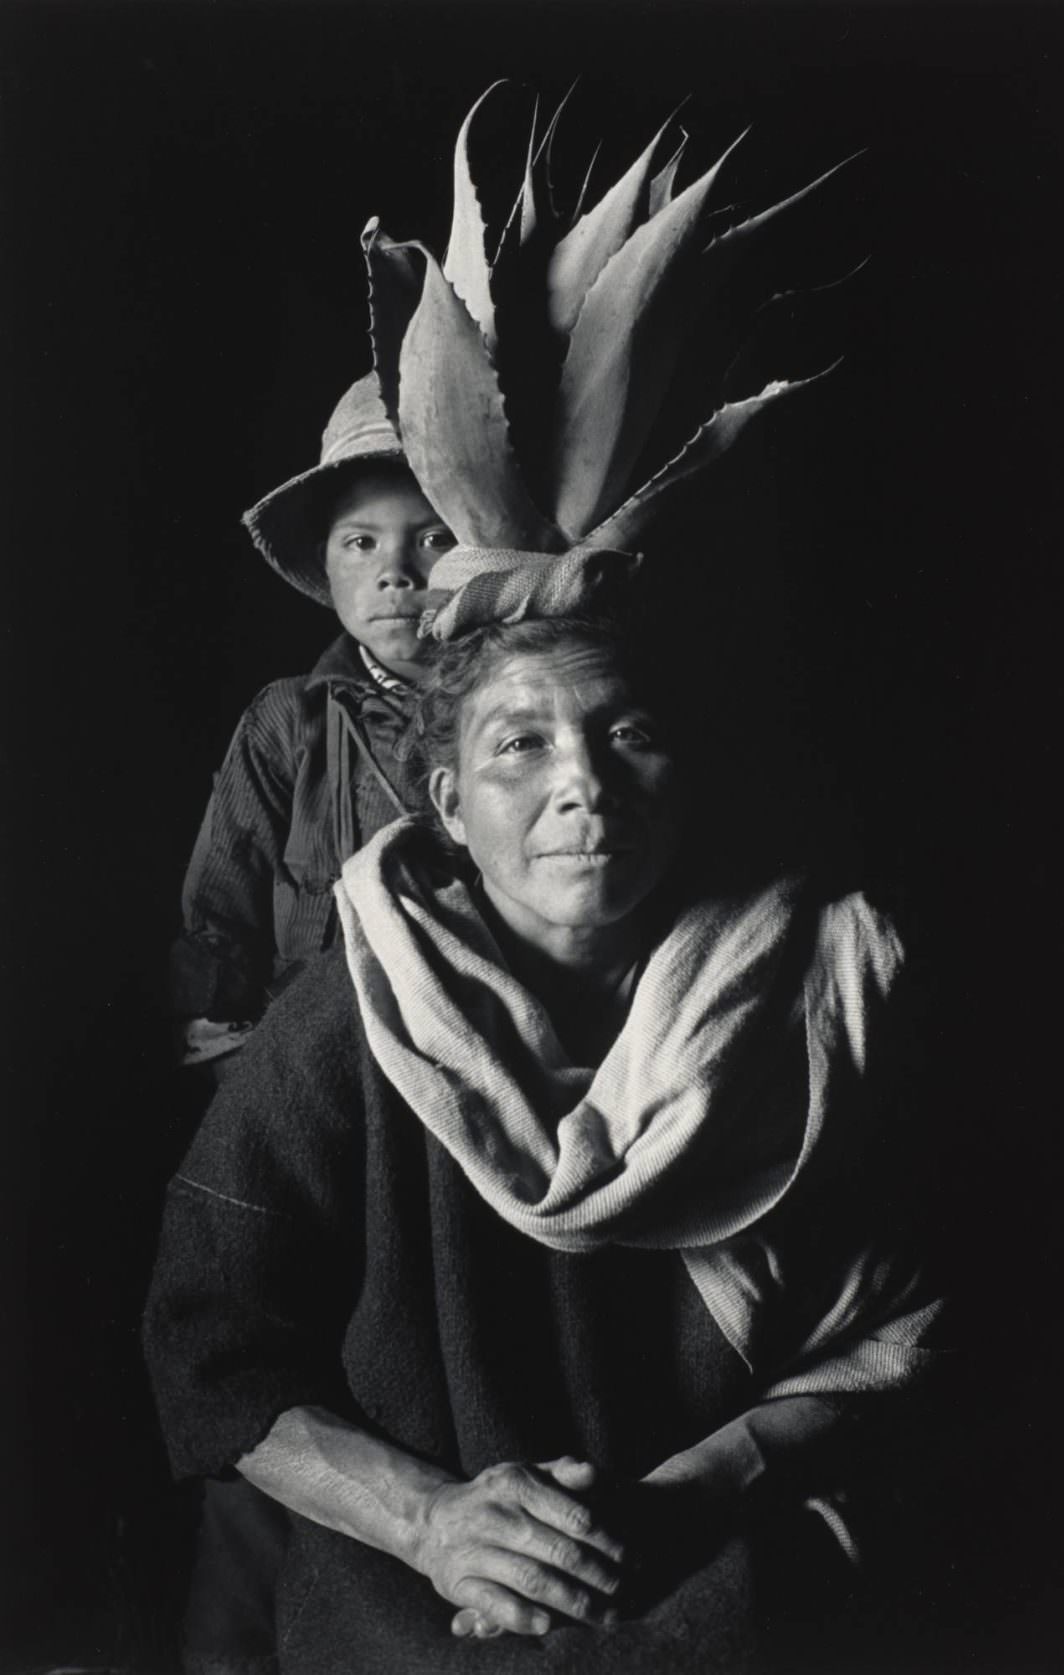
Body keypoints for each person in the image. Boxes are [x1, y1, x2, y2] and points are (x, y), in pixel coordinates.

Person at [145, 605, 943, 1674]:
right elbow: (212, 1344)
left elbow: (912, 1327)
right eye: (521, 742)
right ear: (450, 804)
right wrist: (433, 1521)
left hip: (738, 1554)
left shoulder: (816, 999)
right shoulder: (350, 1022)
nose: (585, 783)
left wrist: (694, 1496)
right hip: (419, 1591)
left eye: (629, 733)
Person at [169, 371, 455, 1080]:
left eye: (435, 538)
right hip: (309, 1066)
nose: (396, 573)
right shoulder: (284, 722)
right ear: (325, 562)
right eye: (361, 542)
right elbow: (221, 920)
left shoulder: (528, 717)